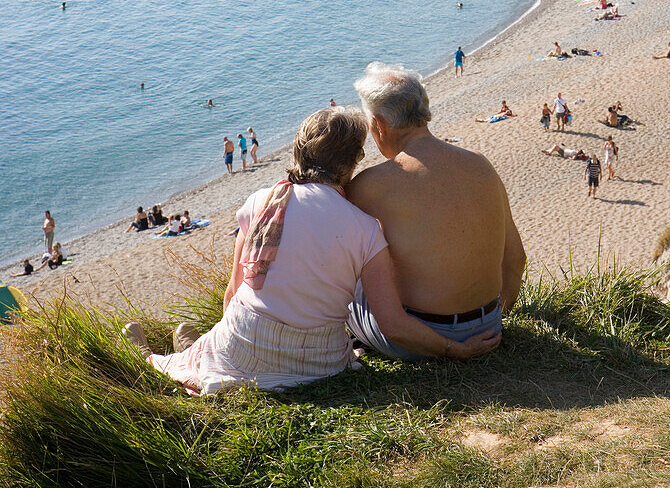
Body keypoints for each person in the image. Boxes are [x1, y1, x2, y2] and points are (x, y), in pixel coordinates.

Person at [126, 107, 502, 394]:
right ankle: (196, 346)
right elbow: (392, 325)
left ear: (299, 151)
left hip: (247, 345)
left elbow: (234, 294)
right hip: (321, 364)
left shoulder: (262, 201)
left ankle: (170, 354)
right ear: (354, 162)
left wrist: (234, 340)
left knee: (190, 353)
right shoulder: (364, 227)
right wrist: (457, 350)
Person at [346, 64, 525, 361]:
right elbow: (516, 257)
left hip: (418, 337)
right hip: (489, 323)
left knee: (349, 275)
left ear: (378, 124)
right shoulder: (481, 164)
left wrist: (456, 350)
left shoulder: (373, 184)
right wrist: (496, 319)